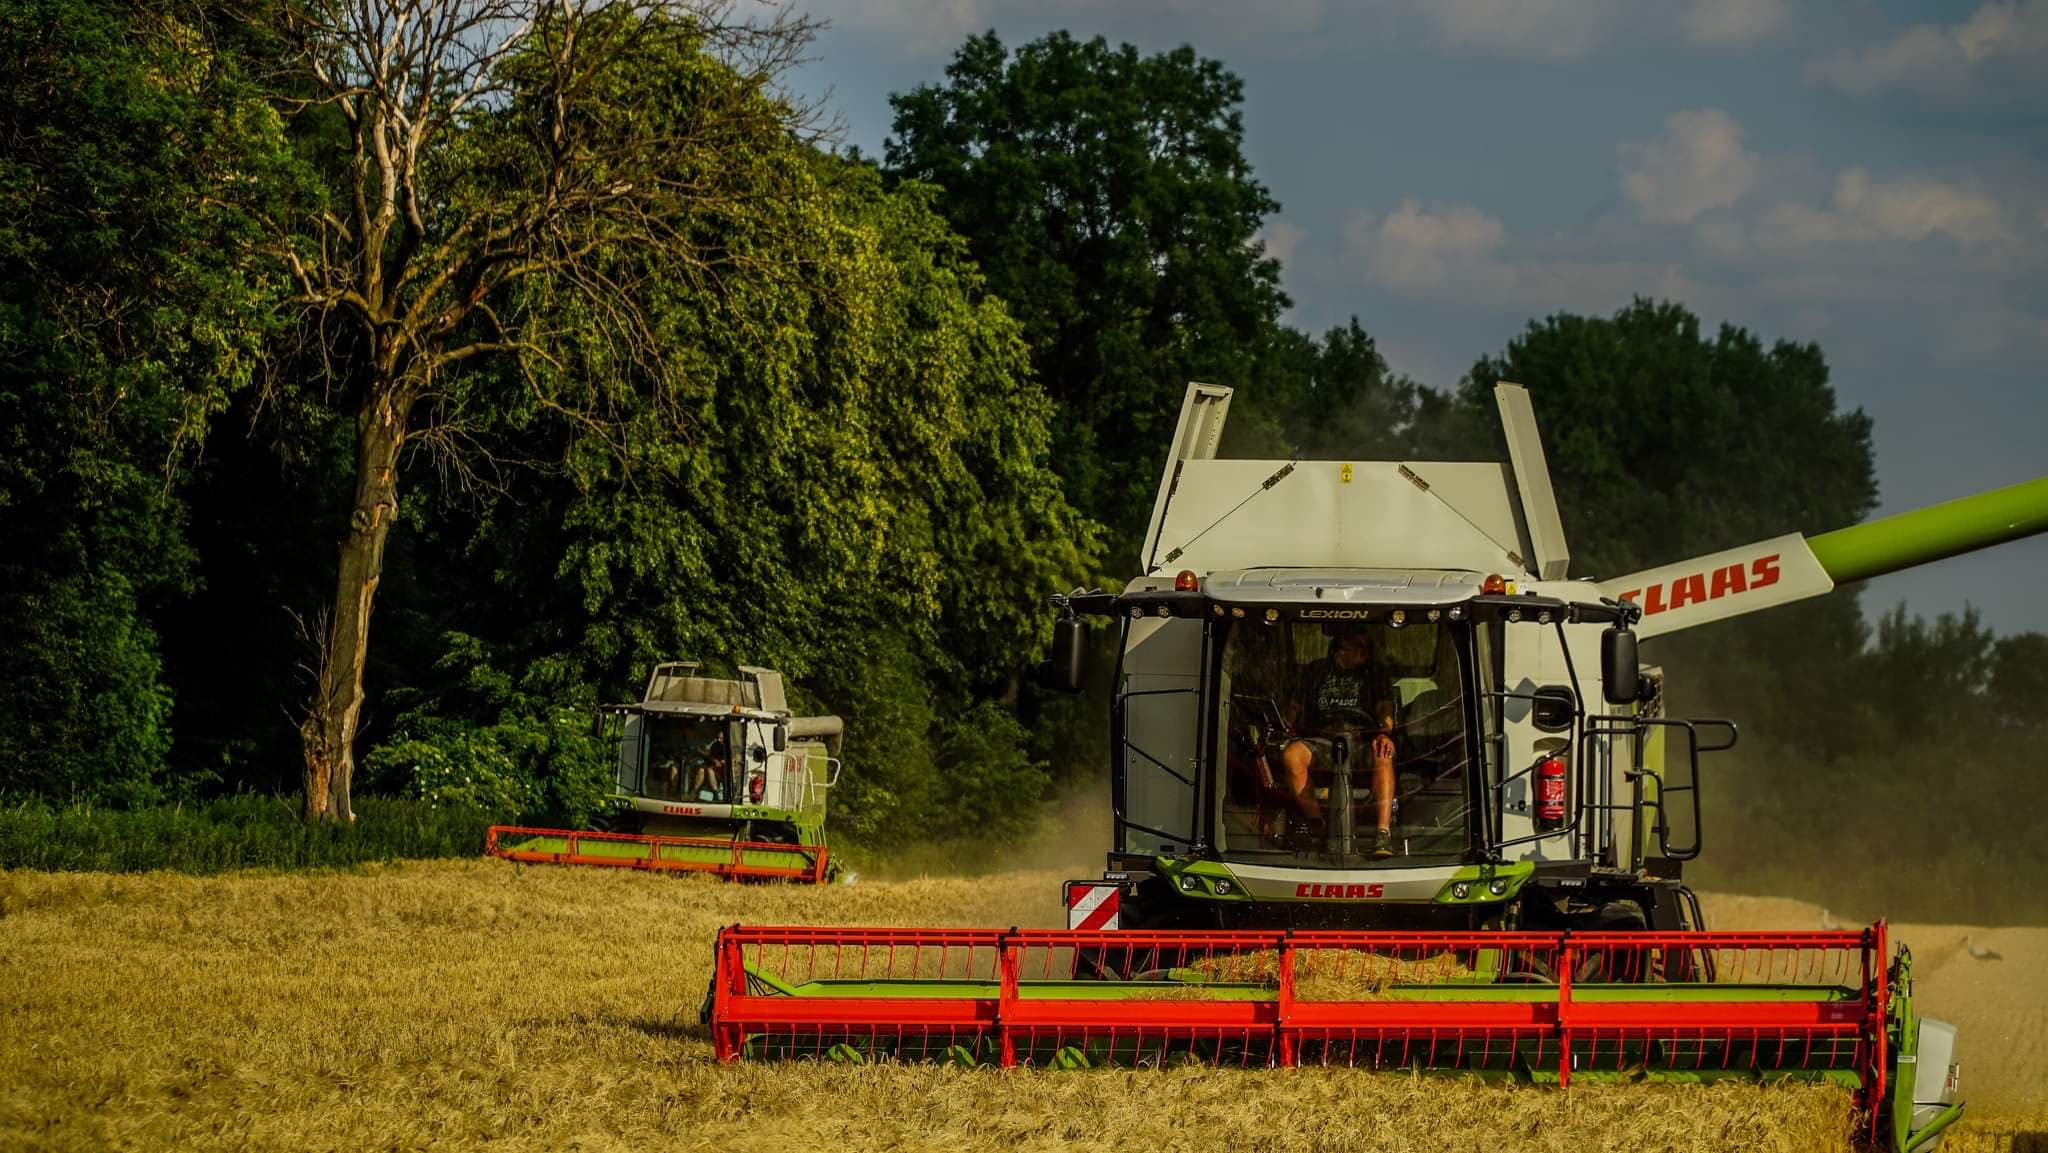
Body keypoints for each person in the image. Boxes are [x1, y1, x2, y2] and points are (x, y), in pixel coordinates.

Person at [1280, 626, 1399, 858]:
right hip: (1321, 740)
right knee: (1291, 755)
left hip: (1361, 741)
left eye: (1366, 648)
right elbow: (1293, 709)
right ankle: (1317, 825)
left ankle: (1382, 833)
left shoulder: (1374, 674)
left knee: (1383, 752)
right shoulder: (1314, 672)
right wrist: (1285, 727)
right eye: (1359, 647)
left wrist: (1386, 734)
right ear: (1341, 649)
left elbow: (1385, 709)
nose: (1365, 653)